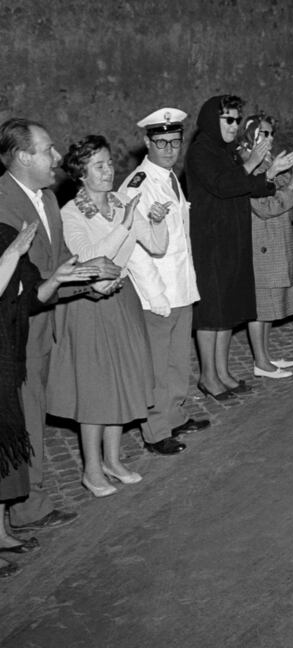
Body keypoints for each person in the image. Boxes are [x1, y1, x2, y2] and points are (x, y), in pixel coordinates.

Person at [0, 118, 120, 531]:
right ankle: (28, 507)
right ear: (22, 156)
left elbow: (60, 263)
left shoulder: (46, 198)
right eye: (47, 150)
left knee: (35, 416)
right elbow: (28, 280)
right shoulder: (3, 203)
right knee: (24, 418)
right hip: (18, 333)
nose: (56, 157)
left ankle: (29, 500)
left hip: (46, 325)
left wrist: (91, 280)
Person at [48, 135, 169, 497]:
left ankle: (113, 461)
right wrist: (123, 224)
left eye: (108, 163)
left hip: (122, 297)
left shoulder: (120, 201)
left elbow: (157, 246)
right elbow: (88, 260)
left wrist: (155, 220)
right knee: (96, 387)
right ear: (81, 174)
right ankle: (91, 470)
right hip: (89, 304)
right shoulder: (70, 213)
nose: (108, 171)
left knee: (123, 379)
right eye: (98, 166)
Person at [0, 222, 98, 577]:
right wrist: (10, 256)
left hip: (7, 356)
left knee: (6, 441)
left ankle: (1, 532)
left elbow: (27, 299)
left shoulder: (4, 232)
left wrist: (55, 279)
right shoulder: (10, 245)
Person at [185, 95, 293, 400]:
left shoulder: (227, 151)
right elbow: (224, 185)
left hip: (232, 236)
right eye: (229, 120)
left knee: (228, 309)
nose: (235, 126)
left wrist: (271, 177)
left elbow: (245, 185)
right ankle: (208, 376)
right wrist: (251, 165)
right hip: (210, 241)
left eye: (237, 120)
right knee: (211, 312)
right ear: (212, 120)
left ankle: (222, 371)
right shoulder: (201, 153)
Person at [121, 107, 207, 456]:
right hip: (157, 292)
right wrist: (155, 294)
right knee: (157, 363)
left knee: (176, 357)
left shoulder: (170, 177)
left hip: (181, 285)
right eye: (162, 142)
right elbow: (135, 250)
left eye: (175, 141)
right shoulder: (136, 186)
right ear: (147, 142)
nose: (170, 149)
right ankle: (156, 429)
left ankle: (174, 413)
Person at [239, 115, 293, 378]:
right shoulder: (249, 165)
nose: (269, 139)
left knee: (269, 305)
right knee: (260, 306)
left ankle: (265, 356)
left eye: (270, 134)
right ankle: (260, 361)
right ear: (250, 136)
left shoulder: (270, 162)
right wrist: (291, 187)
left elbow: (289, 199)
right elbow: (264, 207)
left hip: (278, 238)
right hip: (262, 241)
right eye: (263, 134)